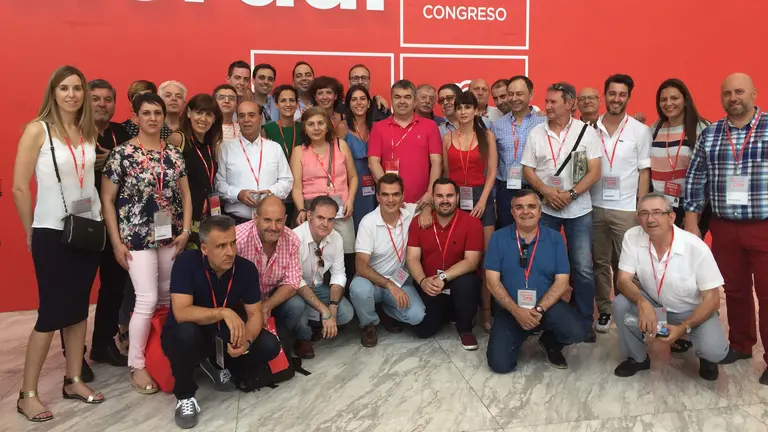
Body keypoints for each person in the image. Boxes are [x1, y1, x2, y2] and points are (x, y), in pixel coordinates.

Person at [13, 65, 105, 422]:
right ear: (53, 92)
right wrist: (30, 230)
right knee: (51, 313)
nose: (72, 94)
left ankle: (74, 379)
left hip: (87, 229)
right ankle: (28, 393)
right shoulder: (38, 130)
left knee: (80, 308)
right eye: (64, 88)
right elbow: (20, 187)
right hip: (52, 231)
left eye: (77, 88)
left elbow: (87, 185)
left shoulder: (85, 132)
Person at [102, 92, 193, 394]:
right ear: (136, 117)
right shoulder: (122, 154)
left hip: (169, 234)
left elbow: (186, 194)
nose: (153, 118)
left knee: (167, 299)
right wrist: (116, 243)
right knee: (146, 299)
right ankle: (137, 364)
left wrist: (186, 230)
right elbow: (107, 199)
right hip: (135, 236)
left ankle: (161, 352)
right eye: (146, 113)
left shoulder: (174, 153)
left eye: (158, 113)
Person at [684, 73, 768, 383]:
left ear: (754, 93)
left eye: (739, 92)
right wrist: (691, 218)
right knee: (733, 290)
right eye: (727, 93)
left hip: (763, 225)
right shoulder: (712, 133)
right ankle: (741, 344)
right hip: (724, 226)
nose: (733, 98)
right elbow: (696, 178)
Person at [162, 216, 281, 429]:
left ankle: (220, 364)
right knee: (185, 334)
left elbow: (255, 315)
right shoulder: (186, 263)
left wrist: (248, 341)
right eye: (221, 246)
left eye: (233, 243)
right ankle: (185, 396)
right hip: (189, 333)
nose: (230, 251)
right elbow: (181, 312)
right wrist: (223, 312)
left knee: (270, 346)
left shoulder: (245, 269)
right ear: (205, 249)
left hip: (221, 335)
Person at [612, 193, 733, 380]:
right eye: (643, 213)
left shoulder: (695, 247)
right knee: (620, 304)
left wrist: (683, 327)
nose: (650, 219)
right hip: (655, 307)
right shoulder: (632, 236)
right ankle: (637, 358)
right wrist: (642, 303)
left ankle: (702, 353)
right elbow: (623, 280)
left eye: (657, 212)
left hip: (690, 311)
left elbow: (713, 299)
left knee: (715, 351)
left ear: (671, 217)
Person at [521, 82, 602, 342]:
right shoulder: (536, 133)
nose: (548, 106)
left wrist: (571, 194)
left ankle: (583, 320)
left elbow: (594, 171)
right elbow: (528, 170)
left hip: (578, 209)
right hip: (546, 209)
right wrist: (546, 191)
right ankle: (545, 315)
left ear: (570, 104)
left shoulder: (586, 132)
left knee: (583, 267)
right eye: (547, 101)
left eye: (554, 102)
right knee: (543, 265)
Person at [485, 190, 587, 373]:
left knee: (578, 331)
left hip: (546, 307)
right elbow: (492, 282)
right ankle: (519, 333)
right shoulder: (498, 238)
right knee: (500, 365)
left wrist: (539, 309)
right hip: (511, 310)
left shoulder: (555, 239)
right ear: (512, 212)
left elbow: (562, 282)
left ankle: (549, 341)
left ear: (540, 212)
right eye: (519, 207)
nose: (526, 212)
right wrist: (517, 312)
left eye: (532, 207)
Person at [236, 196, 335, 359]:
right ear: (255, 217)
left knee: (296, 306)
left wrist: (266, 307)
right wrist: (253, 312)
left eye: (279, 221)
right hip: (241, 304)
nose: (273, 227)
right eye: (267, 220)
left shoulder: (291, 239)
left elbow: (292, 281)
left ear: (286, 219)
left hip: (270, 300)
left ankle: (280, 339)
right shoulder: (237, 240)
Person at [592, 74, 652, 334]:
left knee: (626, 264)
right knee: (599, 262)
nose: (616, 99)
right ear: (604, 95)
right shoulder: (590, 128)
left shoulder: (640, 131)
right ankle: (605, 310)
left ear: (628, 97)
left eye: (622, 94)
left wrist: (641, 206)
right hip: (593, 205)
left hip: (626, 207)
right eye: (612, 93)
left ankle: (628, 307)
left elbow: (644, 172)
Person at [442, 90, 498, 331]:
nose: (463, 112)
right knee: (457, 257)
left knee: (485, 259)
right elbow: (445, 175)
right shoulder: (447, 138)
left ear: (476, 110)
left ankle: (486, 311)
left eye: (468, 107)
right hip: (455, 200)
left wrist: (483, 201)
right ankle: (460, 308)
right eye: (459, 107)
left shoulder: (487, 136)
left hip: (480, 200)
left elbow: (492, 172)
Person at [406, 178, 484, 349]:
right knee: (423, 331)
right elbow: (412, 258)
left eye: (449, 195)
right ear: (432, 198)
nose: (445, 200)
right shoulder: (418, 222)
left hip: (456, 282)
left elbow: (472, 261)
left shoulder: (472, 223)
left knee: (468, 282)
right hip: (430, 284)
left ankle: (465, 329)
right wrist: (423, 281)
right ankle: (446, 314)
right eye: (439, 196)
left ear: (457, 197)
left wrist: (443, 277)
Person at [350, 174, 426, 347]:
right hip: (372, 281)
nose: (390, 200)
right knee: (359, 289)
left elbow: (429, 203)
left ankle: (386, 311)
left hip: (400, 281)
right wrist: (389, 285)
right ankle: (369, 324)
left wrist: (427, 208)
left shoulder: (411, 213)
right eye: (385, 194)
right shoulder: (368, 222)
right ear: (378, 197)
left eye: (396, 194)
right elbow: (361, 266)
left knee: (417, 316)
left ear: (403, 196)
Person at [89, 78, 131, 367]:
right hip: (84, 223)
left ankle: (103, 344)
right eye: (96, 99)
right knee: (78, 291)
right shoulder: (75, 133)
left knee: (114, 287)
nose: (103, 104)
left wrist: (115, 160)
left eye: (107, 99)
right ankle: (73, 357)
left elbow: (161, 136)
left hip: (117, 223)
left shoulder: (122, 131)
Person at [291, 107, 358, 280]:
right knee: (314, 257)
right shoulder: (299, 150)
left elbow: (353, 177)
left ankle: (342, 296)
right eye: (311, 124)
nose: (316, 128)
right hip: (311, 211)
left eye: (320, 123)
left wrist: (350, 199)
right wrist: (300, 209)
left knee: (346, 255)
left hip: (341, 209)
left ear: (328, 125)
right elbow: (296, 185)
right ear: (304, 128)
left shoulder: (340, 145)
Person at [293, 196, 356, 355]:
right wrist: (325, 311)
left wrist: (333, 306)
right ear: (309, 215)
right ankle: (303, 338)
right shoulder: (294, 238)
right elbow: (295, 280)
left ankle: (317, 322)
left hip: (319, 287)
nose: (325, 224)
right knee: (297, 307)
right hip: (295, 290)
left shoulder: (336, 238)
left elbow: (339, 274)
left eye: (330, 219)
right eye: (320, 217)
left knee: (346, 313)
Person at [215, 101, 293, 224]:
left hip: (270, 221)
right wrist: (238, 194)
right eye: (242, 116)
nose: (246, 120)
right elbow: (218, 184)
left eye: (251, 115)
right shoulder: (225, 148)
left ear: (260, 118)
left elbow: (287, 180)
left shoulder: (274, 147)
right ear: (238, 120)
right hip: (236, 221)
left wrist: (271, 193)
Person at [368, 80, 442, 207]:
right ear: (391, 100)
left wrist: (430, 193)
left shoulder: (430, 126)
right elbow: (373, 163)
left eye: (407, 97)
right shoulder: (378, 128)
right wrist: (388, 194)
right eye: (397, 97)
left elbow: (437, 162)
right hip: (389, 203)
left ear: (415, 102)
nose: (402, 101)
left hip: (422, 202)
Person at [650, 79, 711, 234]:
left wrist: (695, 214)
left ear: (685, 101)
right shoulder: (655, 128)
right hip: (660, 206)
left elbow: (708, 175)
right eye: (663, 99)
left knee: (686, 255)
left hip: (689, 207)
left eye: (674, 98)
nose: (668, 103)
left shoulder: (702, 128)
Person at [168, 94, 223, 248]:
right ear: (188, 113)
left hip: (205, 216)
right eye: (199, 112)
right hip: (183, 217)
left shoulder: (209, 145)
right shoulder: (178, 139)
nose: (203, 119)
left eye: (209, 114)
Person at [492, 75, 546, 229]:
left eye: (519, 94)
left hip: (536, 189)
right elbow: (494, 163)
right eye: (510, 94)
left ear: (531, 95)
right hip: (506, 190)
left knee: (536, 239)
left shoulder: (543, 122)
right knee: (507, 237)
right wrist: (494, 197)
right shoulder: (498, 125)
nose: (514, 98)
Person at [338, 85, 377, 233]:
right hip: (353, 187)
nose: (359, 103)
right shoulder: (343, 127)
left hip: (375, 186)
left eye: (362, 99)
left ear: (368, 103)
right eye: (354, 99)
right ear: (348, 104)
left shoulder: (376, 127)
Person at [262, 84, 304, 161]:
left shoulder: (303, 129)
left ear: (297, 104)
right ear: (276, 104)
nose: (288, 104)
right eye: (283, 101)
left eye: (291, 100)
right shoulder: (267, 129)